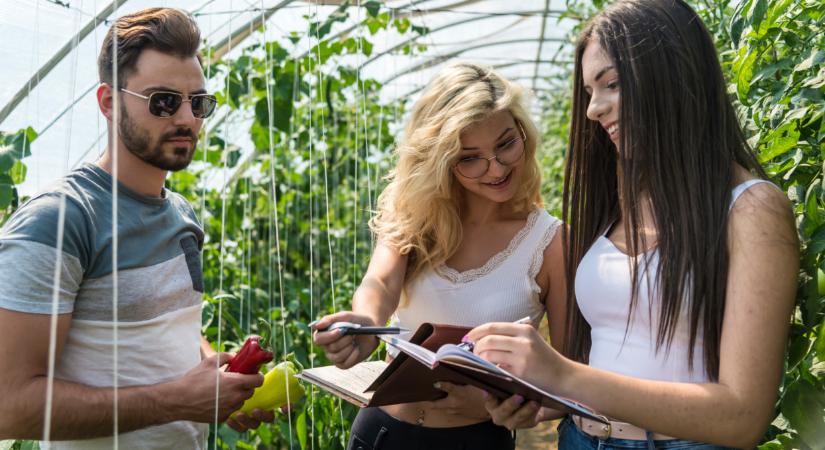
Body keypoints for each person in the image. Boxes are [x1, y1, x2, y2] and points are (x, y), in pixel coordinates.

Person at [467, 1, 799, 449]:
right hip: (582, 437)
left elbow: (741, 417)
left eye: (613, 84)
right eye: (589, 91)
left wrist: (566, 374)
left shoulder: (750, 209)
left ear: (673, 75)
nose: (593, 109)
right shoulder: (614, 202)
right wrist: (544, 396)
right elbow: (606, 361)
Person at [0, 8, 272, 449]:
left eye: (198, 102)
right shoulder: (62, 221)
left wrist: (216, 379)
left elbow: (165, 329)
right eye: (163, 101)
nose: (186, 118)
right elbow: (8, 407)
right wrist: (176, 402)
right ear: (109, 102)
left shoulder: (181, 215)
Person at [311, 62, 566, 450]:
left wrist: (501, 405)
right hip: (380, 432)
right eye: (470, 157)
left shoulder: (548, 242)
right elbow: (381, 280)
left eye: (505, 144)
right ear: (441, 159)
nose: (496, 168)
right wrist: (366, 322)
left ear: (524, 134)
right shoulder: (416, 213)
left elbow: (567, 373)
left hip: (475, 441)